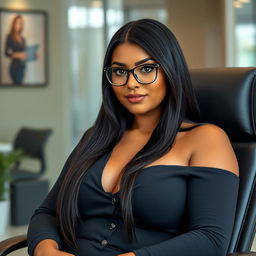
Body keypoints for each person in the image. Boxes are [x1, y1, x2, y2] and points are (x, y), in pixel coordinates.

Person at [27, 19, 239, 256]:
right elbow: (47, 212)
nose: (131, 84)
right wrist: (45, 249)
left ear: (170, 70)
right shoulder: (95, 137)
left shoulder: (205, 139)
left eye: (146, 69)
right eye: (119, 71)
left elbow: (211, 239)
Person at [5, 15, 27, 84]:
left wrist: (33, 55)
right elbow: (6, 53)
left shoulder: (23, 39)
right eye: (16, 22)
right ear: (13, 24)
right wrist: (16, 55)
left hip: (22, 67)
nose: (18, 25)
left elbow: (24, 53)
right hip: (14, 67)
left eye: (20, 23)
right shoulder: (9, 37)